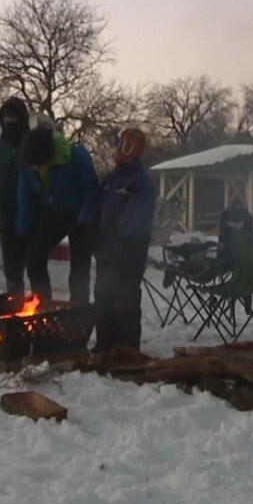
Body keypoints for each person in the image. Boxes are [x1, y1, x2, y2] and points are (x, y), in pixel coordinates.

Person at [89, 128, 156, 353]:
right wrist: (95, 235)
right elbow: (98, 208)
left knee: (125, 298)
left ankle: (127, 348)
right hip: (106, 250)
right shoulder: (111, 178)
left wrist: (116, 242)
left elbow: (133, 221)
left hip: (129, 253)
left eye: (122, 146)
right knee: (103, 295)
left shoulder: (141, 183)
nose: (118, 150)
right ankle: (104, 344)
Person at [17, 125, 99, 305]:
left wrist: (83, 220)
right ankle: (42, 306)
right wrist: (23, 230)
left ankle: (78, 313)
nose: (37, 169)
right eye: (34, 166)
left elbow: (91, 192)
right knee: (35, 257)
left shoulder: (76, 157)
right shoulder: (28, 164)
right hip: (54, 212)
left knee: (79, 269)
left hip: (80, 215)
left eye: (40, 165)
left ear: (49, 156)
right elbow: (26, 196)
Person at [0, 97, 32, 295]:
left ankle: (43, 309)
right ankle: (16, 310)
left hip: (31, 218)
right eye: (6, 118)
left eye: (13, 117)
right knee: (12, 274)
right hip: (5, 219)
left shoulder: (32, 144)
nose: (9, 122)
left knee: (35, 269)